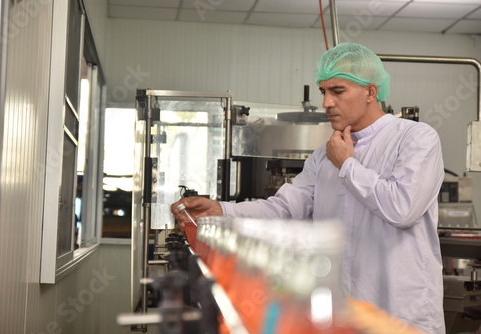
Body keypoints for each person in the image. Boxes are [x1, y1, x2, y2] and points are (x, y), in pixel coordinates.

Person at [171, 43, 445, 334]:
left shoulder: (416, 139)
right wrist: (221, 209)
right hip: (344, 315)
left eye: (337, 91)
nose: (326, 103)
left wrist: (348, 165)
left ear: (370, 92)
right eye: (323, 92)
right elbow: (284, 208)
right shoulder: (322, 156)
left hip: (401, 314)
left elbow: (403, 209)